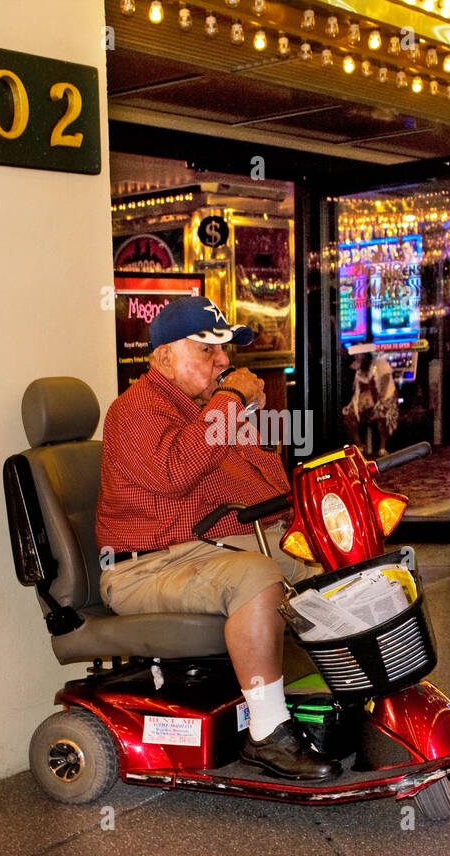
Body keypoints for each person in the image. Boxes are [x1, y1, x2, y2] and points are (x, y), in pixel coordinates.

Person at [95, 295, 339, 781]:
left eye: (224, 349)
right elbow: (175, 474)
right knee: (258, 576)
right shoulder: (134, 410)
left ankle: (353, 696)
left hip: (203, 548)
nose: (224, 362)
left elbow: (268, 486)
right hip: (144, 566)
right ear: (164, 356)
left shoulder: (209, 410)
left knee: (330, 562)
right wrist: (231, 402)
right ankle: (266, 734)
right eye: (207, 349)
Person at [342, 344, 398, 456]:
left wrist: (381, 399)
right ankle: (359, 445)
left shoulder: (380, 362)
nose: (356, 357)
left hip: (383, 398)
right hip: (364, 401)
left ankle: (382, 447)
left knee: (382, 412)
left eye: (359, 355)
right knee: (348, 416)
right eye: (355, 355)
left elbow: (386, 380)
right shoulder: (358, 369)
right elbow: (356, 389)